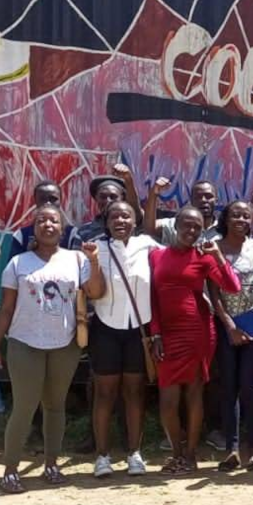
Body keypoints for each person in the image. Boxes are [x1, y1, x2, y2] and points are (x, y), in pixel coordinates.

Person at [0, 204, 106, 494]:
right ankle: (11, 470)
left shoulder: (77, 258)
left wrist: (93, 261)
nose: (48, 225)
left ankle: (51, 465)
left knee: (55, 406)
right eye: (41, 221)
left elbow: (94, 292)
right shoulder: (18, 263)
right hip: (24, 342)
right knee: (25, 407)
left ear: (62, 229)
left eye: (54, 221)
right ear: (34, 229)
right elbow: (6, 308)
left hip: (64, 344)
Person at [149, 206, 240, 475]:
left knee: (194, 393)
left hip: (198, 332)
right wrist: (155, 333)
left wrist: (218, 256)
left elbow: (232, 286)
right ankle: (177, 453)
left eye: (197, 227)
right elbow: (153, 297)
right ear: (175, 226)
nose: (191, 231)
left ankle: (190, 456)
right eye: (186, 225)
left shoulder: (203, 256)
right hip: (166, 333)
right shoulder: (157, 255)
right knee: (167, 398)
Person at [90, 201, 157, 478]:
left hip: (138, 331)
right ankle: (102, 456)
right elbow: (92, 291)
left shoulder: (149, 245)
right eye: (114, 216)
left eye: (126, 215)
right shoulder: (96, 248)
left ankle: (134, 453)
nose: (120, 220)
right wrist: (92, 261)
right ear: (106, 222)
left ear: (134, 220)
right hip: (106, 328)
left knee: (135, 392)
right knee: (105, 393)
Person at [214, 200, 253, 472]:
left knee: (250, 388)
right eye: (235, 215)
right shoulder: (214, 248)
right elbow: (213, 292)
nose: (241, 219)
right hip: (226, 324)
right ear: (226, 219)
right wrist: (229, 326)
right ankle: (231, 449)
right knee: (229, 388)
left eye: (246, 216)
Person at [68, 166, 142, 249]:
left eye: (113, 197)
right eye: (103, 197)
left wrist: (128, 179)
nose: (108, 201)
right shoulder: (83, 232)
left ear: (122, 198)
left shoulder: (129, 225)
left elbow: (135, 211)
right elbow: (77, 258)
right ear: (96, 199)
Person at [144, 178, 221, 244]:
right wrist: (153, 194)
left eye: (208, 196)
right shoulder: (176, 224)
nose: (203, 200)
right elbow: (150, 229)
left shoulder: (224, 229)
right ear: (191, 201)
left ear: (216, 200)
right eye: (198, 197)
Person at [10, 181, 71, 257]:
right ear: (35, 201)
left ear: (61, 200)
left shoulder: (72, 235)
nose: (48, 203)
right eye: (42, 199)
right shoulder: (21, 235)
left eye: (53, 199)